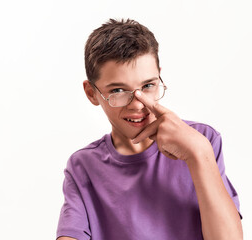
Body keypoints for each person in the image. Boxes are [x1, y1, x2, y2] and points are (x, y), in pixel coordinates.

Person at [56, 19, 243, 240]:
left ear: (159, 76)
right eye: (118, 90)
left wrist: (199, 154)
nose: (137, 104)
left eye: (148, 85)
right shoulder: (83, 166)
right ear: (92, 93)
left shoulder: (202, 140)